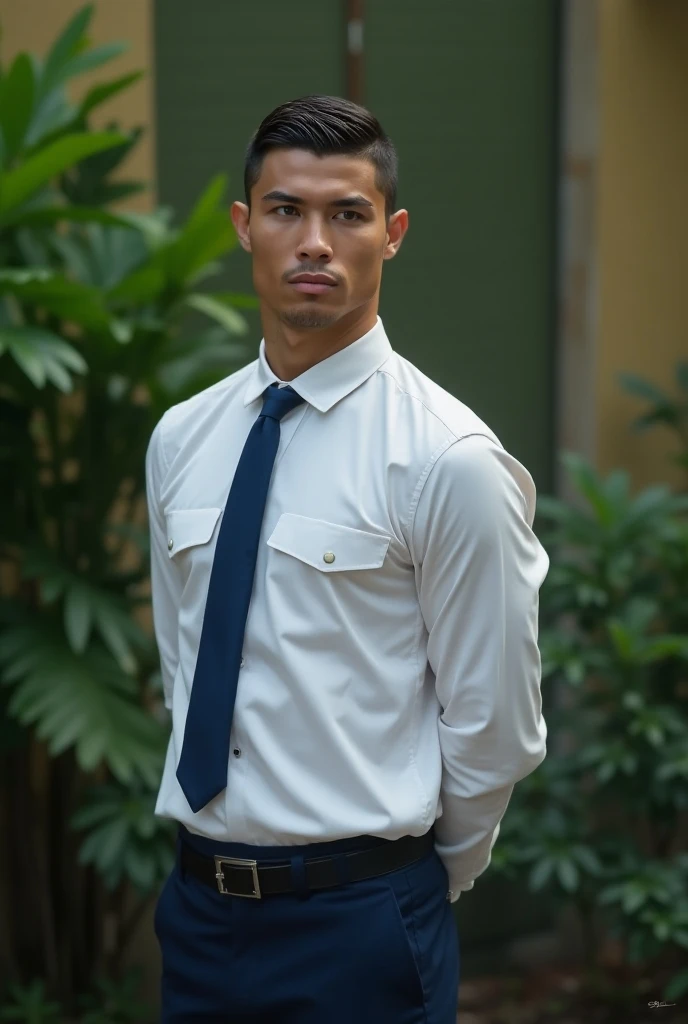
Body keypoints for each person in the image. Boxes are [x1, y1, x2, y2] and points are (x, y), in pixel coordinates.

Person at [145, 93, 549, 1024]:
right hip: (199, 919)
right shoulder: (182, 438)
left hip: (365, 926)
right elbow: (185, 652)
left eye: (348, 213)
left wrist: (416, 882)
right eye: (287, 210)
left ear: (393, 233)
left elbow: (496, 722)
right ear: (246, 226)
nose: (315, 241)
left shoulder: (448, 460)